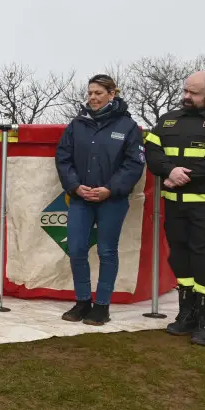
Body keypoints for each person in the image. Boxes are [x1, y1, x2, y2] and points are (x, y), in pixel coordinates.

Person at [144, 71, 205, 346]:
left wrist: (184, 175)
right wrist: (168, 170)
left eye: (194, 93)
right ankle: (186, 314)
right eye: (186, 91)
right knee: (180, 259)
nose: (187, 97)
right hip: (176, 207)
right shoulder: (168, 119)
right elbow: (151, 152)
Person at [55, 74, 146, 326]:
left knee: (107, 251)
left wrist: (110, 189)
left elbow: (133, 164)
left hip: (112, 201)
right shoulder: (77, 124)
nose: (93, 98)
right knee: (76, 249)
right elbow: (63, 158)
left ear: (111, 95)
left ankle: (101, 306)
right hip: (81, 199)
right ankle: (82, 302)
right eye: (90, 93)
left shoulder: (128, 127)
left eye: (98, 93)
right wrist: (74, 186)